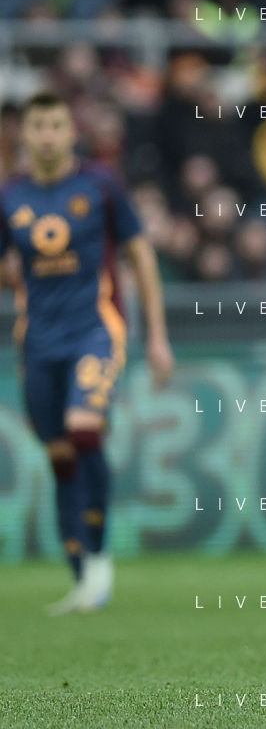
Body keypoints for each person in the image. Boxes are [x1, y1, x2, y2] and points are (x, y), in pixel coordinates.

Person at [0, 92, 174, 614]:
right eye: (39, 126)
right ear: (25, 134)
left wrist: (158, 336)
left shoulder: (101, 184)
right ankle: (81, 575)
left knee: (84, 429)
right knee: (60, 455)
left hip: (96, 330)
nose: (48, 136)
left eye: (56, 125)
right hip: (38, 340)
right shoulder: (10, 197)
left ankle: (99, 559)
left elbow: (140, 253)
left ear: (71, 132)